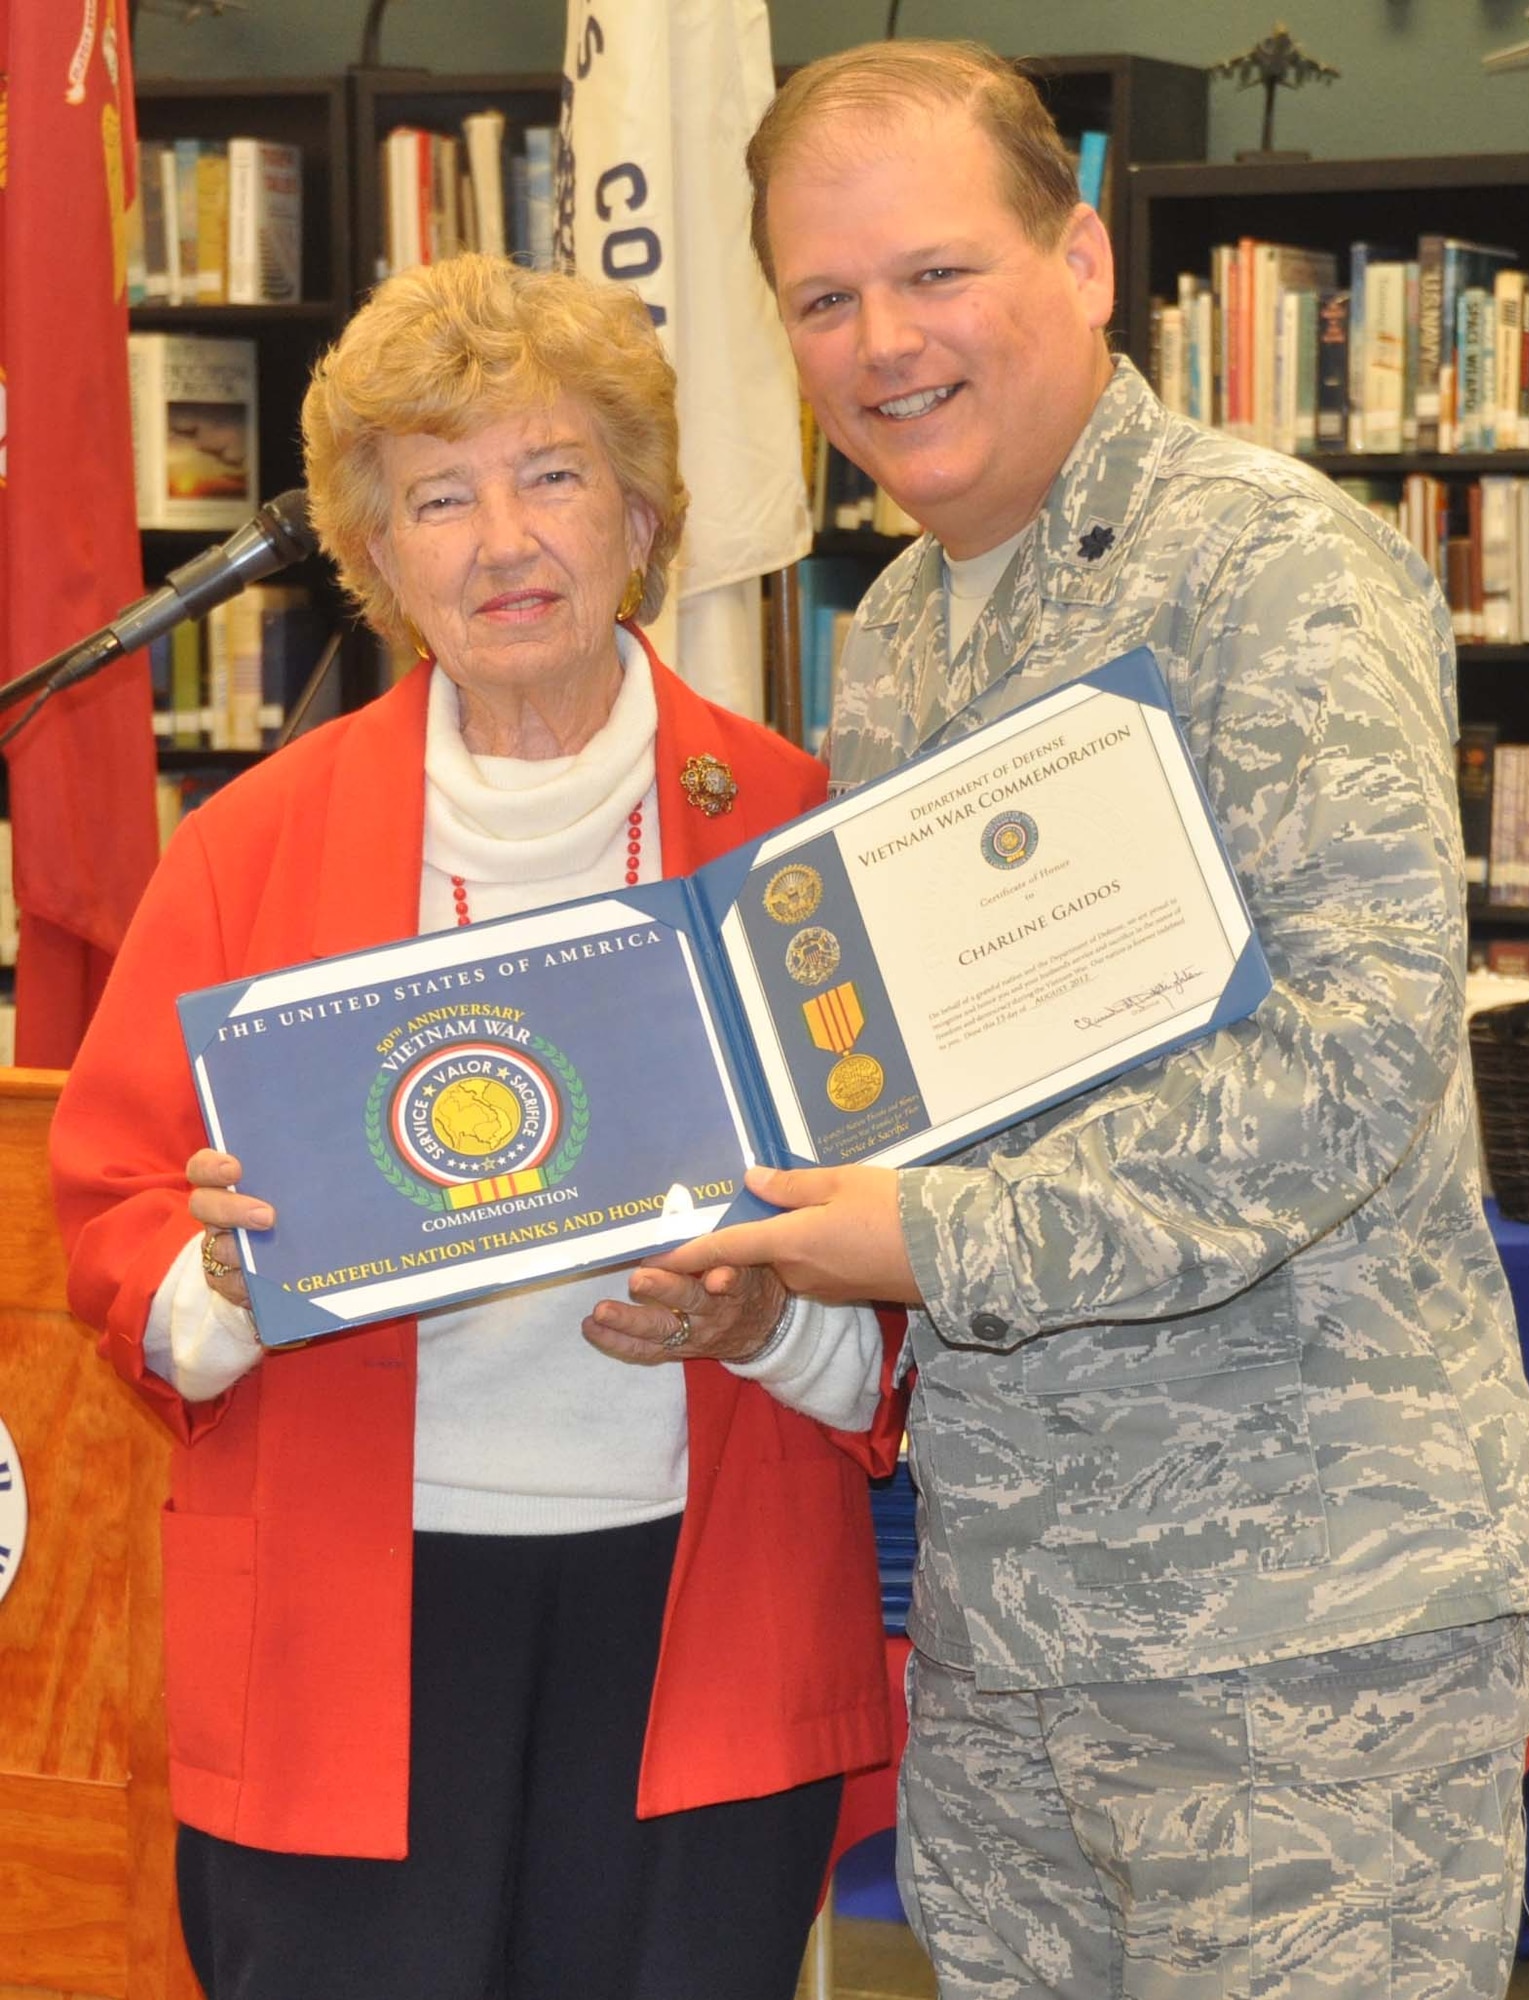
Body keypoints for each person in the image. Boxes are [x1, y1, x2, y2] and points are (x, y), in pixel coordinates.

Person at [656, 40, 1529, 2000]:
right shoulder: (892, 631)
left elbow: (1352, 1051)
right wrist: (777, 1249)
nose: (881, 341)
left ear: (1080, 258)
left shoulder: (1274, 570)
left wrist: (928, 1239)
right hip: (1017, 1625)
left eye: (934, 272)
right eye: (824, 297)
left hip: (1304, 1627)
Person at [50, 253, 908, 2000]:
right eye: (440, 495)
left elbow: (922, 1241)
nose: (503, 539)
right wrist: (223, 1273)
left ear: (645, 515)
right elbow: (113, 1225)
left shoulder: (798, 830)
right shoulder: (249, 849)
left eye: (554, 475)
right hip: (342, 1632)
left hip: (701, 1614)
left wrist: (772, 1314)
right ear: (376, 555)